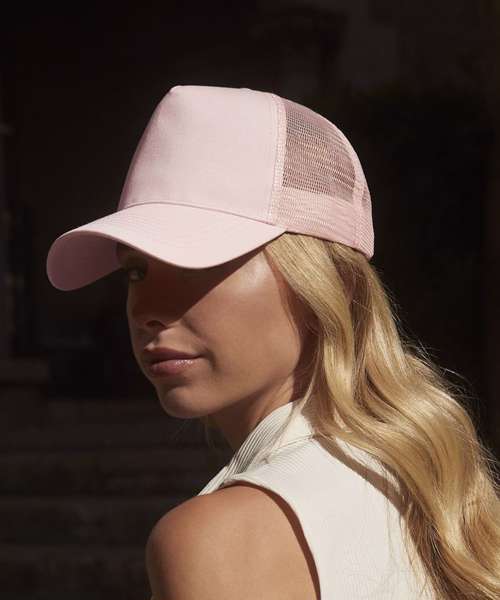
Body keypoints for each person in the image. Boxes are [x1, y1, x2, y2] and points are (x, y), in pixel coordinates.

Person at [46, 84, 500, 599]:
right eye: (137, 270)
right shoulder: (421, 485)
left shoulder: (215, 542)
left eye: (199, 262)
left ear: (318, 282)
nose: (149, 309)